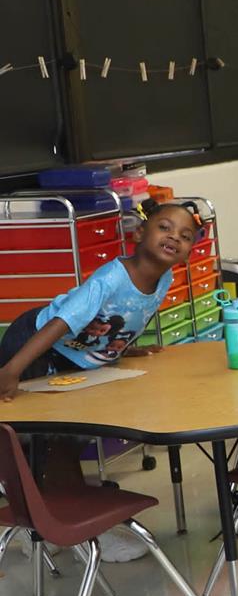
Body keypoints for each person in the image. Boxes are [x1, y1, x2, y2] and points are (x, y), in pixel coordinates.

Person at [0, 202, 194, 561]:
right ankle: (56, 526)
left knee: (66, 441)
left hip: (75, 359)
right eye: (165, 227)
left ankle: (61, 516)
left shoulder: (163, 278)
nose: (174, 238)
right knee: (46, 438)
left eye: (184, 237)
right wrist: (12, 369)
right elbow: (59, 324)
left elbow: (132, 316)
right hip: (37, 344)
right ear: (139, 233)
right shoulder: (110, 278)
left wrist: (120, 349)